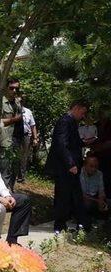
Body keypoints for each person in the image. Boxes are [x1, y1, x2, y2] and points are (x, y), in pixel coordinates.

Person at [46, 100, 94, 233]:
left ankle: (81, 223)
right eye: (82, 113)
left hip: (71, 166)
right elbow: (61, 144)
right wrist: (70, 163)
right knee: (64, 195)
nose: (83, 116)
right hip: (65, 167)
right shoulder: (65, 121)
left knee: (73, 194)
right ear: (77, 108)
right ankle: (61, 224)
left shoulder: (71, 122)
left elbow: (73, 142)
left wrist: (85, 142)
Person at [0, 78, 25, 190]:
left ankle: (10, 190)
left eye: (17, 88)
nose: (14, 90)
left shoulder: (17, 102)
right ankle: (3, 193)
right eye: (11, 88)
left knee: (15, 166)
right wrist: (14, 119)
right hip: (5, 140)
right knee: (5, 167)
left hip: (17, 140)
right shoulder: (0, 102)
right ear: (5, 88)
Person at [80, 154, 109, 220]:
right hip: (84, 198)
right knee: (87, 204)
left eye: (96, 166)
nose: (94, 169)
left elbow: (101, 190)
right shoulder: (80, 173)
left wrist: (101, 200)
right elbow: (80, 194)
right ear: (85, 165)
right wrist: (97, 201)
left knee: (106, 204)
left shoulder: (99, 174)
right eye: (91, 166)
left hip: (94, 197)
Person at [18, 104, 39, 183]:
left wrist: (35, 138)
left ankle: (21, 176)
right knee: (14, 155)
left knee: (24, 156)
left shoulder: (28, 111)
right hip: (15, 136)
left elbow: (33, 125)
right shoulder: (13, 110)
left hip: (26, 136)